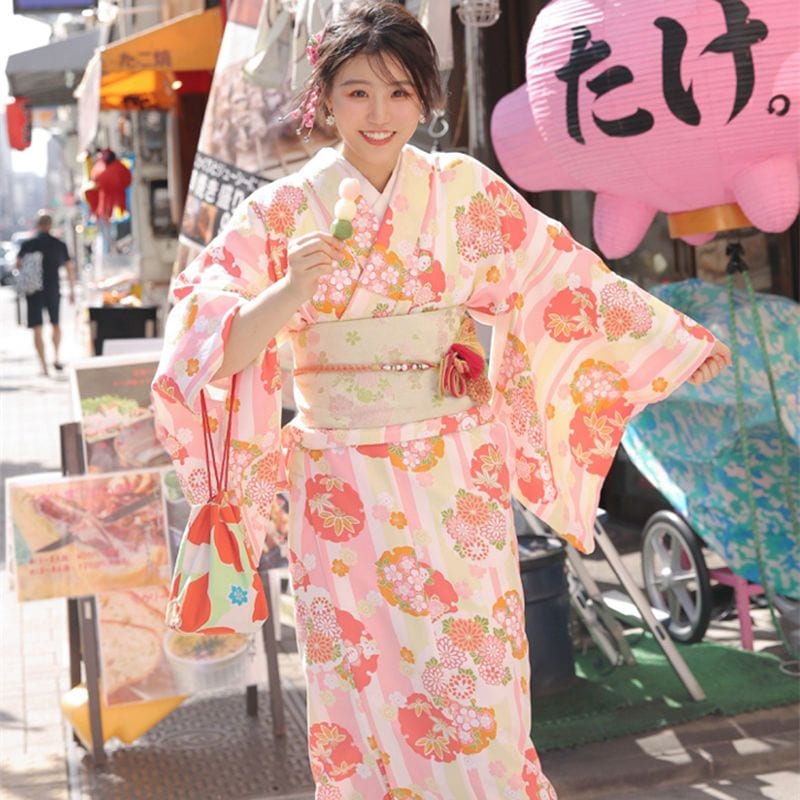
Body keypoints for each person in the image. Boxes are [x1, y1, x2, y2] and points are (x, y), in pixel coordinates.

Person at [153, 3, 731, 797]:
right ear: (324, 99)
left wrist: (668, 341)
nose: (379, 114)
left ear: (427, 98)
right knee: (360, 689)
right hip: (338, 488)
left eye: (398, 92)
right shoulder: (279, 213)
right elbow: (201, 346)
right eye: (356, 93)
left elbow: (559, 280)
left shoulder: (463, 190)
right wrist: (290, 292)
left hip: (453, 471)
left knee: (478, 674)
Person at [17, 212, 76, 375]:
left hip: (34, 291)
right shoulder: (58, 244)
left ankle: (43, 365)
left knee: (37, 328)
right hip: (52, 288)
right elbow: (69, 268)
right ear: (50, 225)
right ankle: (56, 358)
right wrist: (72, 291)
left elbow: (18, 265)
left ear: (37, 225)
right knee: (56, 325)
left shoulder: (28, 244)